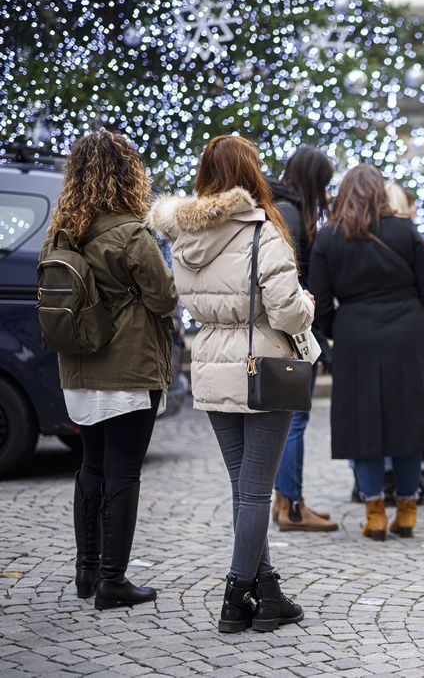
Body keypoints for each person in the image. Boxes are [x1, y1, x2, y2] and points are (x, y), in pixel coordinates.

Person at [148, 135, 313, 633]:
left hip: (212, 360)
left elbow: (186, 302)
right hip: (262, 364)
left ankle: (268, 591)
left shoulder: (184, 236)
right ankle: (236, 595)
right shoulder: (262, 231)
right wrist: (309, 302)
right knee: (256, 492)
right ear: (251, 173)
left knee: (245, 487)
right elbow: (287, 310)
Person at [41, 131, 178, 610]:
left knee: (91, 467)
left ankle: (87, 571)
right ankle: (114, 582)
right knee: (123, 473)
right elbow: (165, 298)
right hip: (129, 370)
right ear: (128, 174)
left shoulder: (61, 231)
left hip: (78, 370)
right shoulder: (132, 233)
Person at [308, 164, 424, 539]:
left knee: (364, 424)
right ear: (381, 194)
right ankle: (407, 511)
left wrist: (345, 328)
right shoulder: (405, 231)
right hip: (409, 334)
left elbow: (318, 303)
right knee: (410, 421)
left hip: (356, 338)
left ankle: (374, 513)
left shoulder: (329, 237)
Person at [267, 146, 337, 532]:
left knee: (290, 420)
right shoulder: (292, 212)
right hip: (293, 334)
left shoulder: (282, 206)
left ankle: (286, 502)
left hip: (288, 332)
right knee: (294, 420)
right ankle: (292, 507)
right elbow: (289, 279)